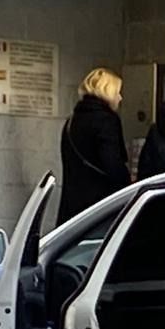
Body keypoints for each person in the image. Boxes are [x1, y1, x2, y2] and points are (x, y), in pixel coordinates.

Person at [58, 68, 130, 223]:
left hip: (71, 208)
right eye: (117, 92)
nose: (120, 97)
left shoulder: (71, 121)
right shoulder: (107, 121)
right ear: (108, 93)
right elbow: (113, 165)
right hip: (100, 210)